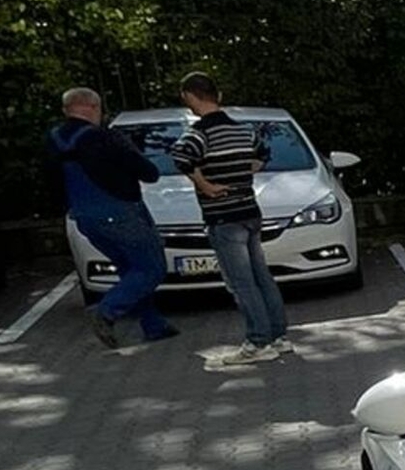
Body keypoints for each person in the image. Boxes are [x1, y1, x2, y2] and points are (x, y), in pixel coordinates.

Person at [44, 89, 178, 350]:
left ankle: (154, 325)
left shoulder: (54, 139)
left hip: (84, 216)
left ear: (66, 110)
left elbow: (51, 182)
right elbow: (148, 173)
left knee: (131, 270)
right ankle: (106, 311)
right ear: (95, 107)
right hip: (120, 212)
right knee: (151, 268)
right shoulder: (104, 138)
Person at [172, 71, 288, 368]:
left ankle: (258, 340)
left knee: (241, 282)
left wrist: (206, 185)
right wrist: (242, 172)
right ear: (218, 95)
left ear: (190, 97)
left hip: (223, 217)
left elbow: (181, 158)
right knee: (262, 276)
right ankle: (278, 336)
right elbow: (263, 156)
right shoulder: (244, 131)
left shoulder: (198, 134)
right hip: (249, 211)